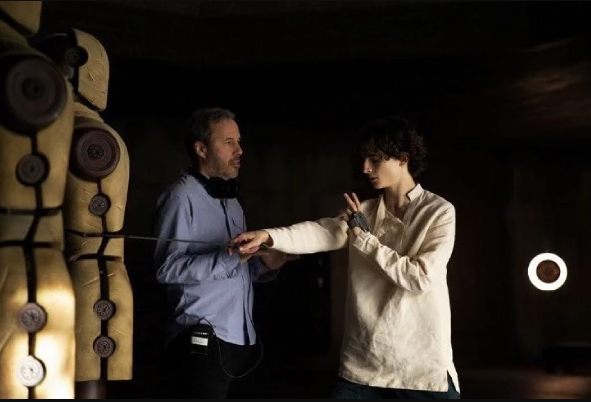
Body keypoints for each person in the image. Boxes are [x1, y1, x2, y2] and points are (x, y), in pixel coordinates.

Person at [231, 115, 461, 399]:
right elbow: (322, 231)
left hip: (420, 368)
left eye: (375, 159)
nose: (366, 168)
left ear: (403, 158)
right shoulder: (363, 211)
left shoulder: (439, 212)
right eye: (364, 158)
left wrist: (364, 238)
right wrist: (267, 235)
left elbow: (420, 278)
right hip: (363, 364)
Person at [152, 107, 289, 399]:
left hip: (240, 341)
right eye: (229, 142)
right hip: (200, 340)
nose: (239, 150)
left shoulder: (232, 201)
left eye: (239, 142)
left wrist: (267, 265)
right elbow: (166, 269)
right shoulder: (180, 197)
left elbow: (236, 268)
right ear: (201, 149)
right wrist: (230, 258)